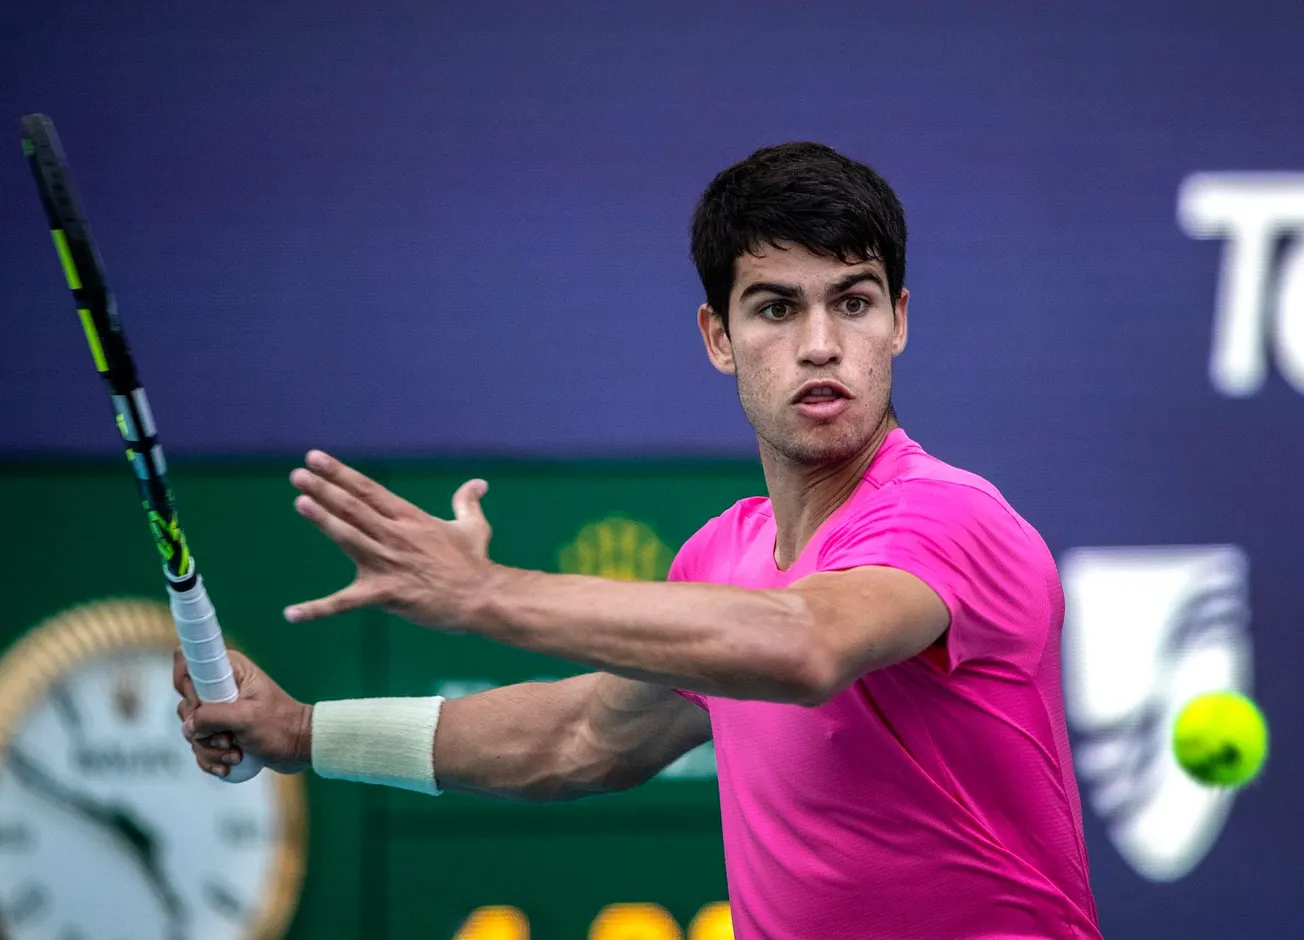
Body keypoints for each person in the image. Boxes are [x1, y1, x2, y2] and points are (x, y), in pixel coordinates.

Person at [176, 142, 1101, 939]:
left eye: (851, 303)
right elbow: (578, 737)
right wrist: (303, 731)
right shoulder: (720, 557)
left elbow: (805, 643)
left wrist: (485, 592)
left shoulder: (950, 516)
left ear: (899, 319)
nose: (821, 344)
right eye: (776, 308)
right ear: (718, 336)